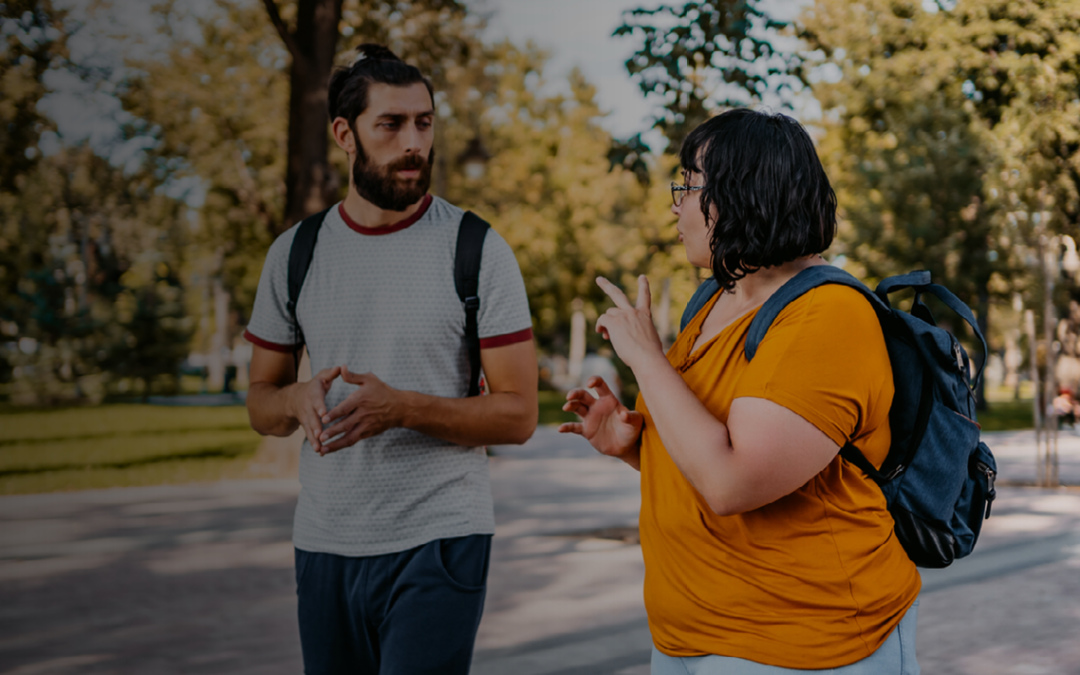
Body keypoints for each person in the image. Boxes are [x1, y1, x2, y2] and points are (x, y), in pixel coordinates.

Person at [560, 109, 921, 674]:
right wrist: (636, 445)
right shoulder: (712, 299)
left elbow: (732, 482)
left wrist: (648, 360)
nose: (675, 205)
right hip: (685, 634)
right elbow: (709, 450)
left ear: (744, 192)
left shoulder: (828, 315)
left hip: (799, 643)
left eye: (688, 185)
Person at [243, 44, 538, 675]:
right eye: (393, 124)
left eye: (424, 123)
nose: (415, 142)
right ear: (345, 135)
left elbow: (517, 416)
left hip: (440, 539)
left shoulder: (479, 249)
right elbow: (261, 404)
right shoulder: (293, 255)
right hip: (325, 544)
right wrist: (294, 399)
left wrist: (401, 408)